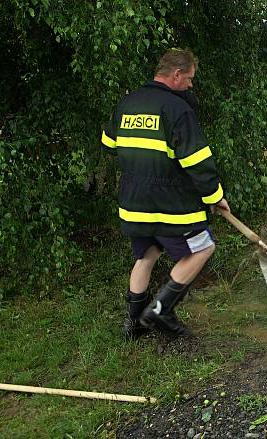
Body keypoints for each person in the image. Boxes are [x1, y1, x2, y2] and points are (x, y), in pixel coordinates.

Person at [101, 48, 230, 339]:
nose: (191, 85)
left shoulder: (127, 103)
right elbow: (197, 161)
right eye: (189, 79)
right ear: (176, 74)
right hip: (171, 206)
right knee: (204, 247)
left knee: (147, 254)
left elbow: (109, 143)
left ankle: (133, 325)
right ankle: (160, 310)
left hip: (133, 204)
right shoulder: (177, 110)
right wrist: (214, 196)